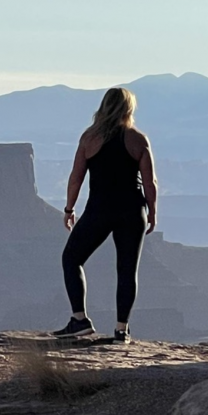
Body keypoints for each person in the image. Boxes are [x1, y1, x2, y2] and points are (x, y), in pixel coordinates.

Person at [52, 87, 158, 343]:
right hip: (133, 211)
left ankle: (79, 320)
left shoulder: (90, 138)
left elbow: (76, 178)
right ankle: (122, 330)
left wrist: (69, 208)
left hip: (100, 209)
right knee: (127, 269)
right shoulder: (138, 139)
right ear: (128, 109)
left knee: (71, 258)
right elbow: (149, 181)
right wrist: (152, 211)